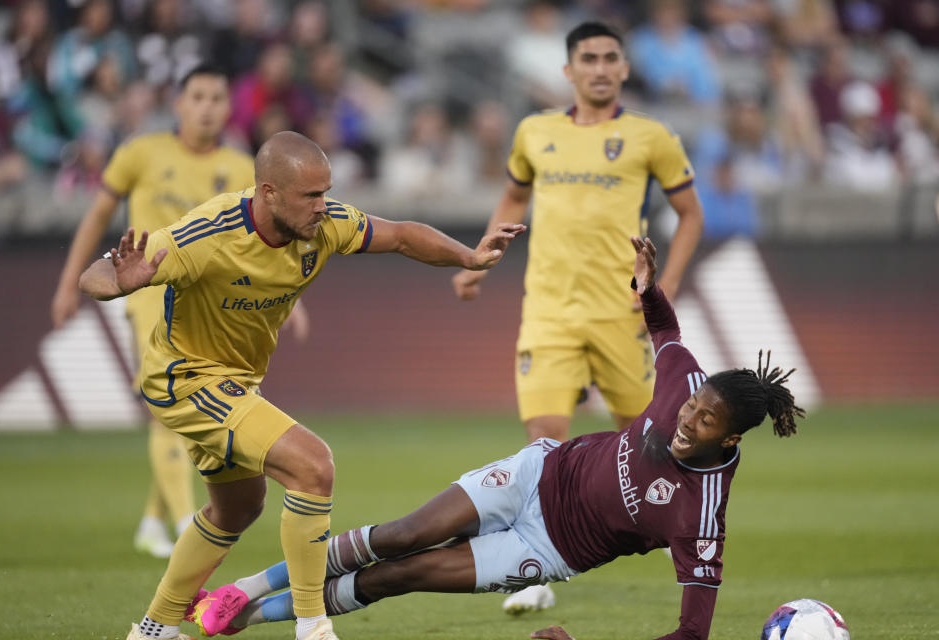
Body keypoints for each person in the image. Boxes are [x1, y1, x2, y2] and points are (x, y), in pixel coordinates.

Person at [193, 237, 804, 640]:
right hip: (537, 474)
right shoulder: (686, 384)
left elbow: (692, 635)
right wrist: (648, 287)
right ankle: (240, 590)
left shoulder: (701, 517)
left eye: (703, 423)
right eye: (693, 407)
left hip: (550, 548)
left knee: (404, 574)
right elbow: (667, 332)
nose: (686, 421)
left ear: (727, 443)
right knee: (403, 534)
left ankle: (248, 617)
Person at [78, 130, 525, 640]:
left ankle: (153, 629)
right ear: (268, 193)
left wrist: (468, 257)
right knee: (312, 466)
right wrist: (120, 282)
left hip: (234, 382)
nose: (323, 206)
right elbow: (97, 275)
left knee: (237, 509)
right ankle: (313, 627)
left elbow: (400, 235)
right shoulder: (204, 236)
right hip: (184, 377)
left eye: (326, 192)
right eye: (311, 195)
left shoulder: (325, 225)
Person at [452, 22, 704, 610]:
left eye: (609, 57)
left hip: (622, 314)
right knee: (544, 444)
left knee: (653, 441)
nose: (597, 67)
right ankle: (534, 571)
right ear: (567, 71)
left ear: (622, 69)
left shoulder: (651, 136)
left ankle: (681, 534)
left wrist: (661, 291)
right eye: (586, 58)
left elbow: (690, 214)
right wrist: (479, 260)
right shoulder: (534, 132)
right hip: (548, 313)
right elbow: (514, 199)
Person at [50, 63, 257, 559]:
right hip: (147, 295)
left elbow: (257, 245)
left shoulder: (243, 168)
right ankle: (190, 522)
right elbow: (98, 213)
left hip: (210, 305)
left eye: (216, 98)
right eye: (198, 97)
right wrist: (66, 285)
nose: (207, 107)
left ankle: (151, 520)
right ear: (179, 104)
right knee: (167, 405)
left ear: (229, 108)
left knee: (191, 408)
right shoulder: (142, 153)